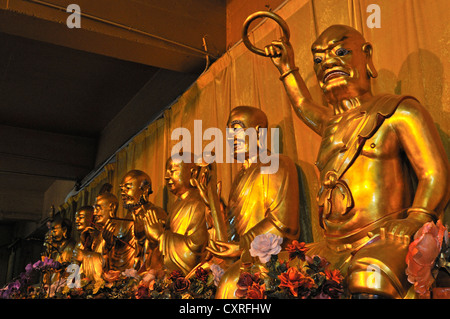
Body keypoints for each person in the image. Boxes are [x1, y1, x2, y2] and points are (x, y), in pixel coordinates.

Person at [263, 24, 450, 298]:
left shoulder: (399, 111)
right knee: (276, 277)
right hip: (332, 246)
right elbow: (303, 105)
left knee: (369, 275)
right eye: (318, 59)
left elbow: (433, 173)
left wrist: (417, 217)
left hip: (383, 236)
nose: (328, 63)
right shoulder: (330, 124)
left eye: (340, 52)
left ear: (366, 56)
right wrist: (286, 67)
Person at [199, 106, 300, 299]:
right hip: (244, 257)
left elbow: (282, 224)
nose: (231, 138)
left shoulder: (277, 164)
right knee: (201, 276)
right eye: (229, 132)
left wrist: (242, 247)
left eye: (237, 129)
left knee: (230, 283)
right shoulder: (240, 177)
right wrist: (212, 202)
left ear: (259, 132)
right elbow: (233, 234)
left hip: (270, 257)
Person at [137, 156, 209, 275]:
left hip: (186, 277)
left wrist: (161, 236)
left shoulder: (198, 202)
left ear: (193, 173)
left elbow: (195, 250)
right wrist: (154, 239)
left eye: (173, 171)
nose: (166, 176)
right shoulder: (178, 204)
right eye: (166, 172)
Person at [119, 170, 167, 273]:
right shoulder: (124, 220)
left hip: (147, 273)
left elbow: (162, 247)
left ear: (145, 189)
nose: (123, 193)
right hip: (126, 275)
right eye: (122, 189)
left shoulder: (155, 213)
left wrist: (143, 236)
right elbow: (120, 256)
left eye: (128, 188)